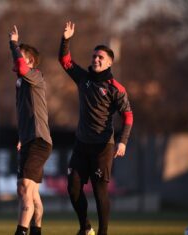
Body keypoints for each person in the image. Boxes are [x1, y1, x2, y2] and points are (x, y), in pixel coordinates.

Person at [58, 21, 133, 235]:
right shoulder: (83, 78)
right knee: (73, 188)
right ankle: (85, 228)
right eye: (94, 56)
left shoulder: (115, 88)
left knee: (100, 192)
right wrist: (66, 39)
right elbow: (64, 60)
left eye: (101, 57)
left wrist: (123, 141)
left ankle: (103, 233)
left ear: (109, 63)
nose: (96, 59)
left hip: (103, 147)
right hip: (82, 144)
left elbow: (128, 114)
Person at [9, 25, 52, 235]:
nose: (17, 59)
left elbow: (20, 64)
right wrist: (21, 137)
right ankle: (36, 231)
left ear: (31, 61)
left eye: (22, 56)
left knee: (26, 188)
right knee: (29, 193)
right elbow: (24, 115)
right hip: (28, 140)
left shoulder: (35, 75)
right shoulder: (20, 83)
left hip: (39, 141)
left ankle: (21, 231)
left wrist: (14, 44)